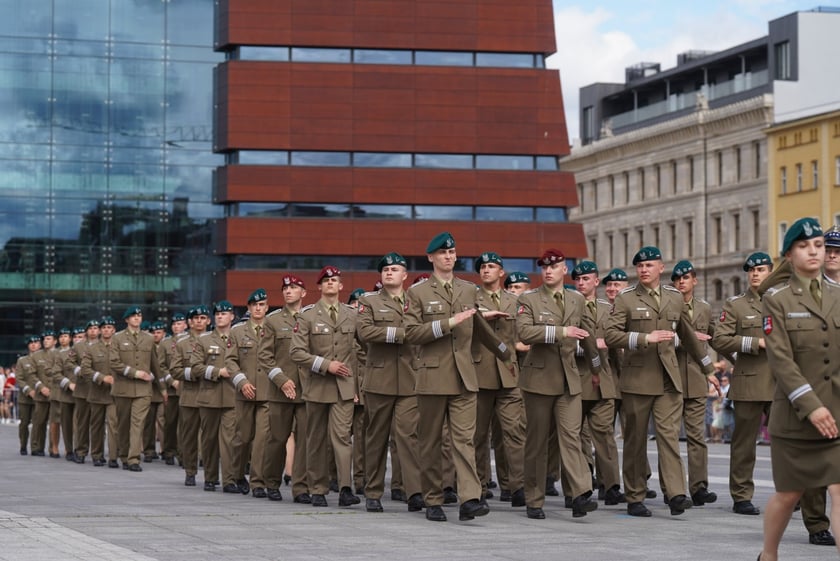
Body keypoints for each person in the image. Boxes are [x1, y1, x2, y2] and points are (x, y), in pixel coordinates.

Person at [404, 232, 512, 523]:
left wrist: (505, 353)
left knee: (465, 440)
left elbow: (477, 326)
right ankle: (433, 499)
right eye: (442, 253)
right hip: (433, 378)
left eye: (452, 252)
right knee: (430, 443)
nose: (448, 256)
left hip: (465, 377)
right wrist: (449, 322)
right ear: (431, 258)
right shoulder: (418, 293)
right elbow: (412, 333)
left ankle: (470, 499)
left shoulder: (468, 289)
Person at [604, 246, 720, 517]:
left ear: (660, 267)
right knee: (635, 440)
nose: (644, 269)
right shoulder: (626, 299)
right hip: (637, 380)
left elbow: (689, 337)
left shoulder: (674, 297)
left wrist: (708, 369)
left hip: (669, 380)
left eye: (649, 265)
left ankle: (676, 493)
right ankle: (635, 496)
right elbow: (610, 335)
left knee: (669, 438)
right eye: (640, 266)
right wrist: (644, 338)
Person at [759, 217, 840, 560]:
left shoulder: (839, 294)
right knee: (789, 494)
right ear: (789, 254)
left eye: (819, 245)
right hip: (796, 419)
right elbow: (781, 361)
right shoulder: (777, 299)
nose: (814, 252)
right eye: (803, 246)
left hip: (837, 413)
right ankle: (769, 554)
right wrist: (811, 406)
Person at [515, 249, 602, 520]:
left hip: (569, 381)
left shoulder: (576, 299)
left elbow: (587, 334)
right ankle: (534, 498)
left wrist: (597, 368)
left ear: (565, 270)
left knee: (571, 438)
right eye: (545, 267)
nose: (549, 271)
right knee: (537, 443)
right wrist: (562, 332)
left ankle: (579, 494)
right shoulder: (529, 299)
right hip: (538, 380)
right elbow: (525, 333)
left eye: (555, 267)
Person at [355, 253, 424, 513]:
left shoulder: (416, 301)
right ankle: (373, 492)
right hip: (378, 380)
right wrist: (402, 334)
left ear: (405, 275)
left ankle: (413, 491)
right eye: (385, 269)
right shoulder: (368, 301)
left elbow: (425, 332)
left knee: (408, 437)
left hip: (410, 380)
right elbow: (365, 332)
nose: (389, 273)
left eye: (394, 269)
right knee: (375, 438)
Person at [290, 266, 361, 508]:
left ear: (341, 286)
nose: (330, 283)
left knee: (342, 438)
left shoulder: (353, 315)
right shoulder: (307, 315)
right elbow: (296, 352)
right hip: (318, 385)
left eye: (335, 280)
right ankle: (317, 489)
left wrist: (358, 388)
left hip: (344, 387)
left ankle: (344, 488)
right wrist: (325, 365)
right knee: (316, 439)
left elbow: (362, 351)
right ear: (319, 287)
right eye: (326, 281)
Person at [471, 252, 526, 508]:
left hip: (509, 374)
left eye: (491, 266)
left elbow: (521, 335)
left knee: (514, 433)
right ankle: (479, 486)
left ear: (501, 272)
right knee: (478, 435)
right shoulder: (470, 299)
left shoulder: (515, 301)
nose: (486, 270)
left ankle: (518, 487)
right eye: (482, 267)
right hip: (479, 374)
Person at [570, 260, 624, 506]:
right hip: (575, 379)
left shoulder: (609, 309)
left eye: (585, 279)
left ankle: (611, 485)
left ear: (596, 281)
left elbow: (618, 339)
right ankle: (580, 486)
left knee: (605, 435)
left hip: (604, 379)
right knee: (576, 436)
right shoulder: (568, 307)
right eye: (577, 279)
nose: (581, 283)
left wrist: (607, 343)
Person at [669, 260, 718, 506]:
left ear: (694, 281)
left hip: (697, 380)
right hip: (672, 379)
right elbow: (663, 341)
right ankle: (674, 488)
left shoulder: (705, 308)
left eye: (685, 278)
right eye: (677, 279)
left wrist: (735, 360)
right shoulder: (666, 307)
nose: (681, 282)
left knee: (697, 436)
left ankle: (699, 488)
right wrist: (688, 341)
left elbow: (715, 337)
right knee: (670, 438)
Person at [262, 275, 311, 503]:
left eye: (293, 288)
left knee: (304, 440)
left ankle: (300, 488)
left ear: (304, 292)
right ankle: (271, 482)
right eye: (285, 288)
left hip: (307, 390)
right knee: (277, 439)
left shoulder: (311, 317)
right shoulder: (272, 321)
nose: (288, 291)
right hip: (280, 391)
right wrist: (282, 380)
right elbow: (265, 356)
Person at [226, 289, 272, 497]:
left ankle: (258, 482)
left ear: (267, 307)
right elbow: (230, 361)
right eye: (254, 305)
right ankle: (236, 475)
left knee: (262, 439)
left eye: (262, 305)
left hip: (268, 392)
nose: (258, 308)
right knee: (242, 438)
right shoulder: (237, 331)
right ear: (249, 308)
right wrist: (241, 382)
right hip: (245, 391)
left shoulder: (274, 329)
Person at [191, 300, 240, 493]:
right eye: (217, 314)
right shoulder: (203, 340)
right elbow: (195, 367)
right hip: (209, 397)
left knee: (229, 440)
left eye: (224, 313)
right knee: (209, 440)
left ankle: (229, 480)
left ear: (232, 317)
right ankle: (210, 477)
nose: (220, 316)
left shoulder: (238, 337)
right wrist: (218, 372)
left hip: (231, 397)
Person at [109, 306, 161, 471]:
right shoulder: (117, 338)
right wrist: (135, 373)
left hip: (143, 390)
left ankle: (133, 459)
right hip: (123, 388)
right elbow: (114, 363)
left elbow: (155, 364)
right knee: (123, 425)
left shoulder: (149, 338)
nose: (137, 318)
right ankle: (124, 455)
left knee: (138, 423)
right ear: (126, 320)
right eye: (133, 316)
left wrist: (163, 388)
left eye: (139, 315)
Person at [171, 307, 210, 486]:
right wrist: (194, 373)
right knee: (189, 436)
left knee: (210, 437)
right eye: (195, 318)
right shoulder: (182, 344)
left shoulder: (216, 340)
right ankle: (190, 471)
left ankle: (211, 473)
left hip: (211, 394)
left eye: (203, 317)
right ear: (190, 322)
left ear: (209, 321)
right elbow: (175, 370)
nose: (199, 321)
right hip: (190, 395)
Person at [81, 316, 117, 467]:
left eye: (110, 327)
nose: (107, 330)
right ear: (101, 330)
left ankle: (113, 457)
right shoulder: (91, 348)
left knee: (114, 424)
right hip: (97, 393)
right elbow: (85, 369)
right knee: (96, 426)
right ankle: (97, 455)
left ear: (114, 330)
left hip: (115, 394)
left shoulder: (120, 346)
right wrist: (101, 377)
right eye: (104, 328)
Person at [14, 335, 41, 455]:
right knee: (24, 423)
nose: (33, 345)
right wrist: (29, 390)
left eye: (36, 342)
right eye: (31, 343)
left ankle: (35, 447)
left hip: (39, 397)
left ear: (40, 345)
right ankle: (23, 445)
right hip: (25, 397)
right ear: (28, 346)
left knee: (37, 423)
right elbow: (19, 379)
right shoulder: (22, 360)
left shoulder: (44, 360)